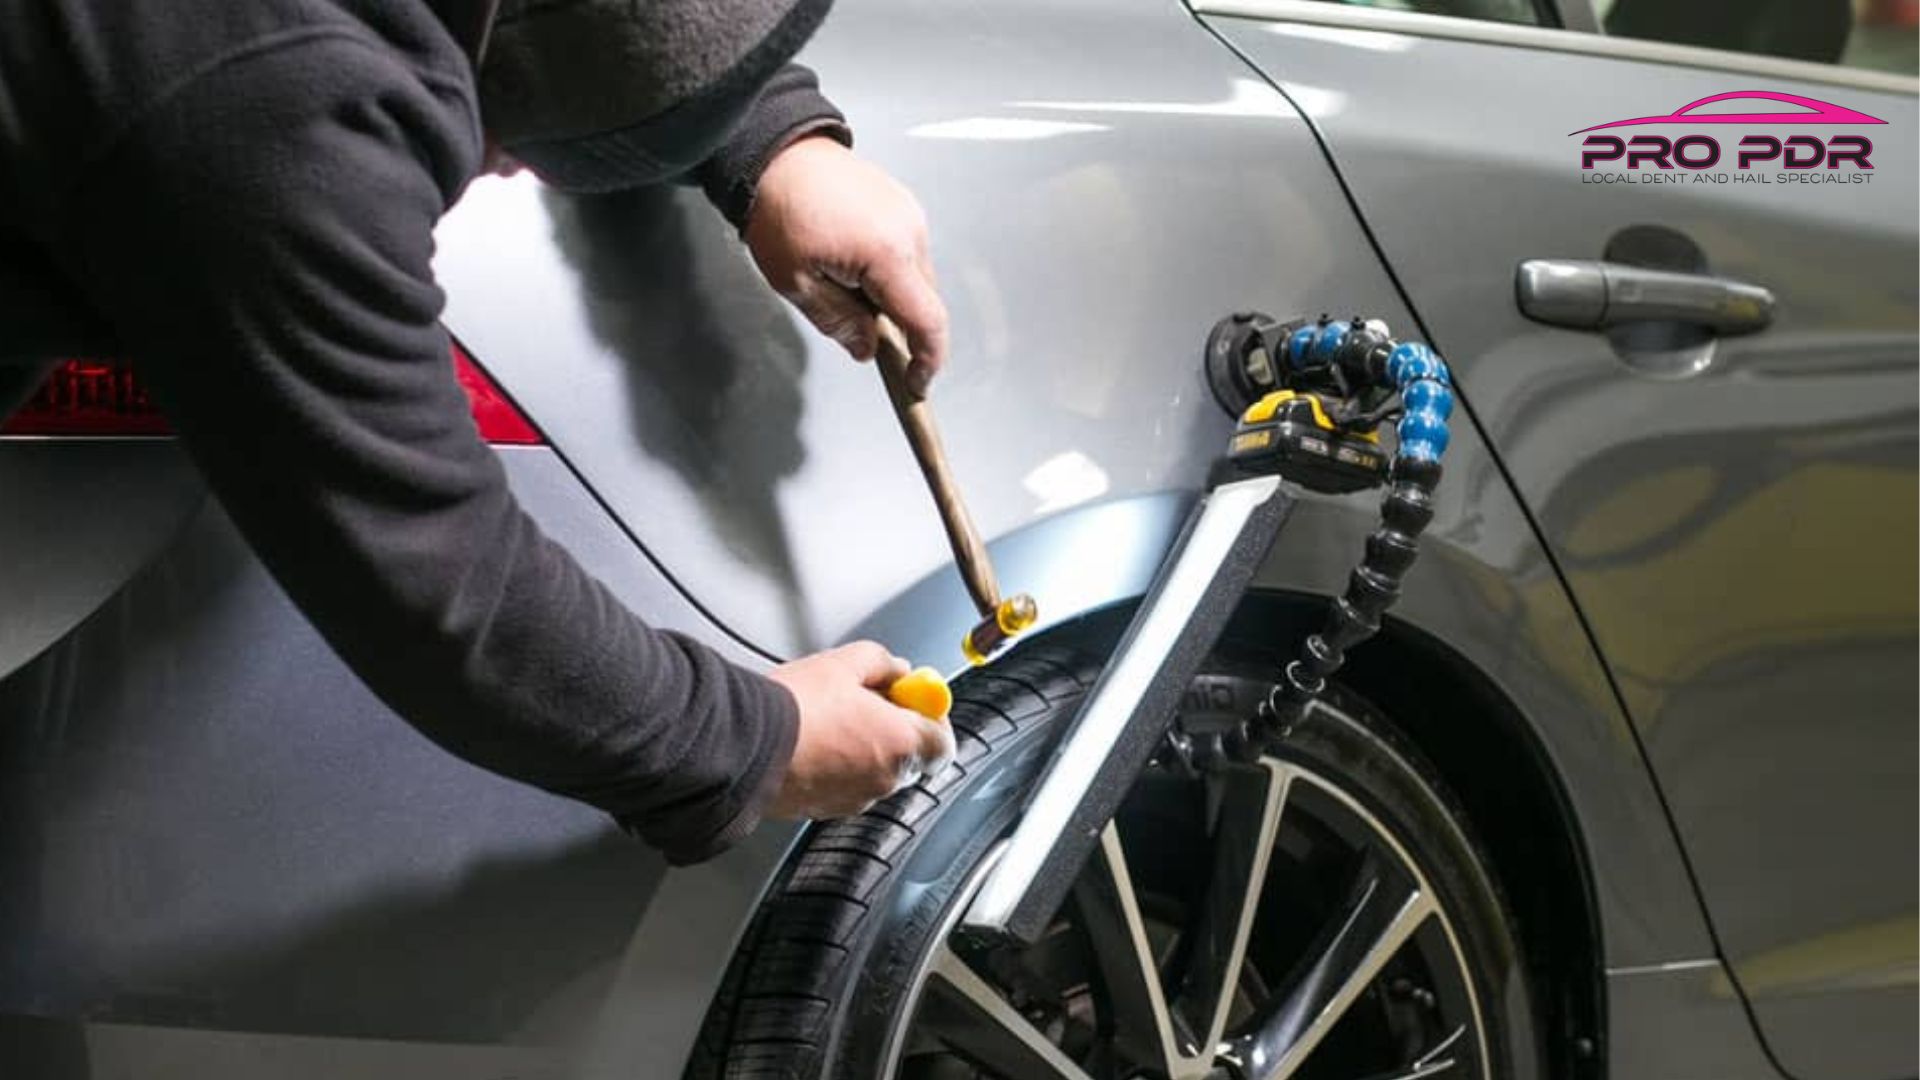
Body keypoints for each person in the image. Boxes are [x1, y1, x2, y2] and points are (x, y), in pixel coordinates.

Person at [0, 0, 956, 865]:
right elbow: (440, 578)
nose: (498, 160)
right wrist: (756, 741)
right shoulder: (275, 96)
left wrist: (771, 133)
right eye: (514, 135)